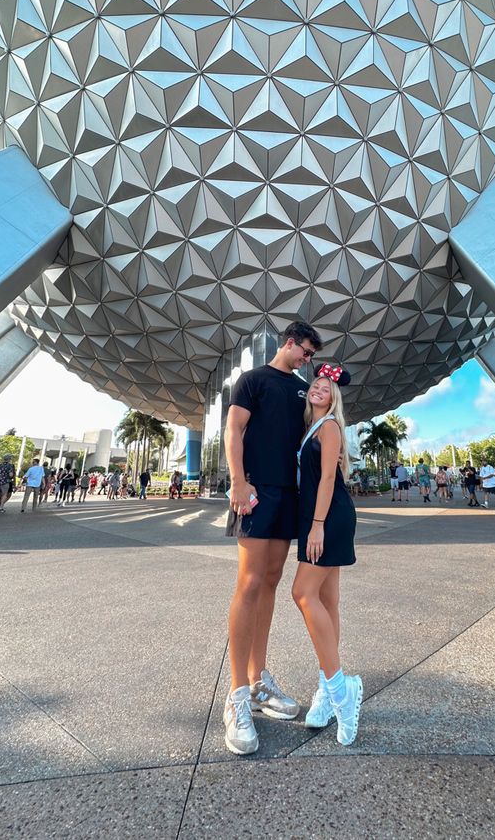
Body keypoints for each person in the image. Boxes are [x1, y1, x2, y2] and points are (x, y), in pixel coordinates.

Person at [223, 321, 323, 756]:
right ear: (289, 342)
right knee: (248, 583)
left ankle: (260, 680)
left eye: (312, 354)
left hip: (290, 495)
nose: (308, 358)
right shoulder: (252, 380)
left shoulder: (303, 390)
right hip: (258, 491)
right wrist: (238, 481)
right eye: (306, 350)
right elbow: (234, 430)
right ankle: (237, 696)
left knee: (271, 582)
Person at [292, 363, 362, 746]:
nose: (319, 388)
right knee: (326, 599)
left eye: (325, 386)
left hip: (328, 516)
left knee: (302, 594)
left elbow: (330, 478)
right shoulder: (311, 429)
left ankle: (340, 689)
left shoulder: (330, 426)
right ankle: (326, 686)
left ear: (333, 397)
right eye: (315, 385)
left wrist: (317, 524)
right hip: (317, 517)